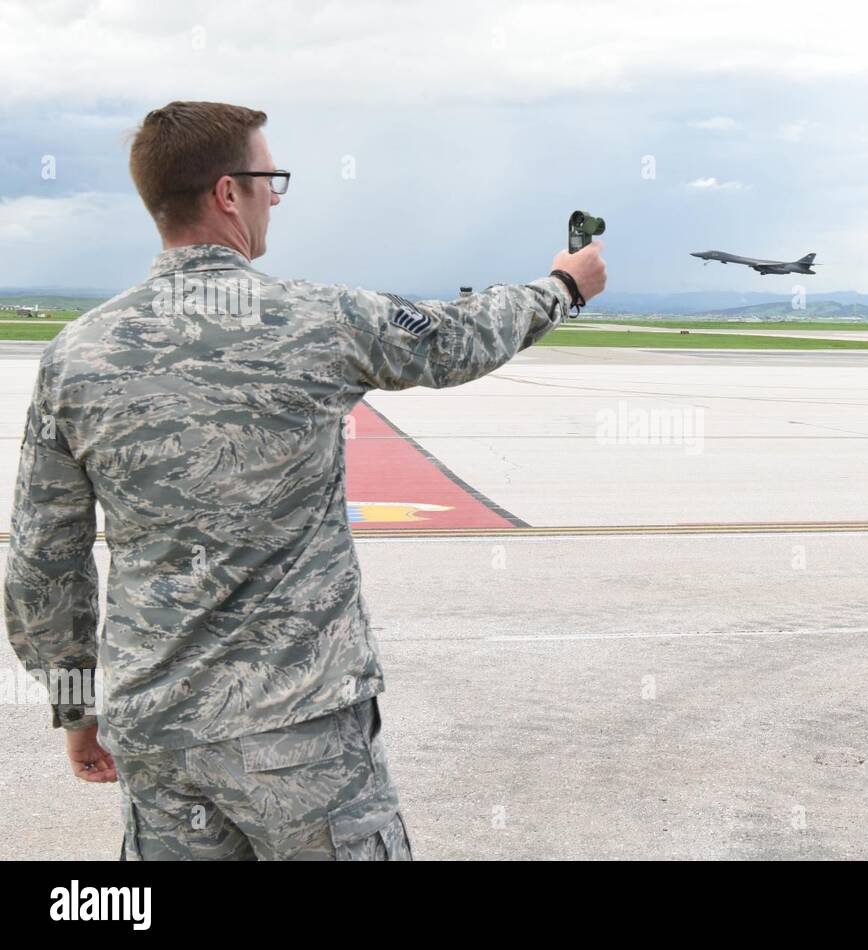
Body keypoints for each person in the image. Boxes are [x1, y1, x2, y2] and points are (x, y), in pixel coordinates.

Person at [4, 100, 606, 860]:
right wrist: (563, 287)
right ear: (229, 192)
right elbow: (456, 340)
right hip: (300, 733)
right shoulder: (316, 320)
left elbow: (40, 564)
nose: (275, 197)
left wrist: (74, 711)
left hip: (156, 738)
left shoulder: (76, 355)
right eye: (269, 178)